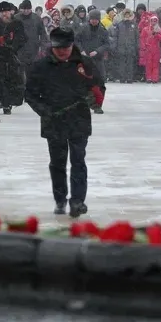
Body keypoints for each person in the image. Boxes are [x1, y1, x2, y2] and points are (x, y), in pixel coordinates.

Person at [25, 27, 106, 219]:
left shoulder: (84, 63)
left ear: (72, 46)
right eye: (58, 48)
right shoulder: (41, 66)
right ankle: (60, 199)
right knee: (58, 162)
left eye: (66, 48)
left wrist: (94, 99)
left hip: (79, 120)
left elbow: (99, 86)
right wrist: (45, 111)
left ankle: (78, 200)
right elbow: (30, 94)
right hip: (54, 121)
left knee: (78, 160)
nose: (62, 51)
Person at [0, 1, 29, 115]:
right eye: (2, 12)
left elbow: (23, 38)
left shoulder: (17, 24)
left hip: (11, 57)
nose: (5, 14)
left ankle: (7, 103)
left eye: (7, 12)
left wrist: (12, 44)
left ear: (11, 12)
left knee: (10, 81)